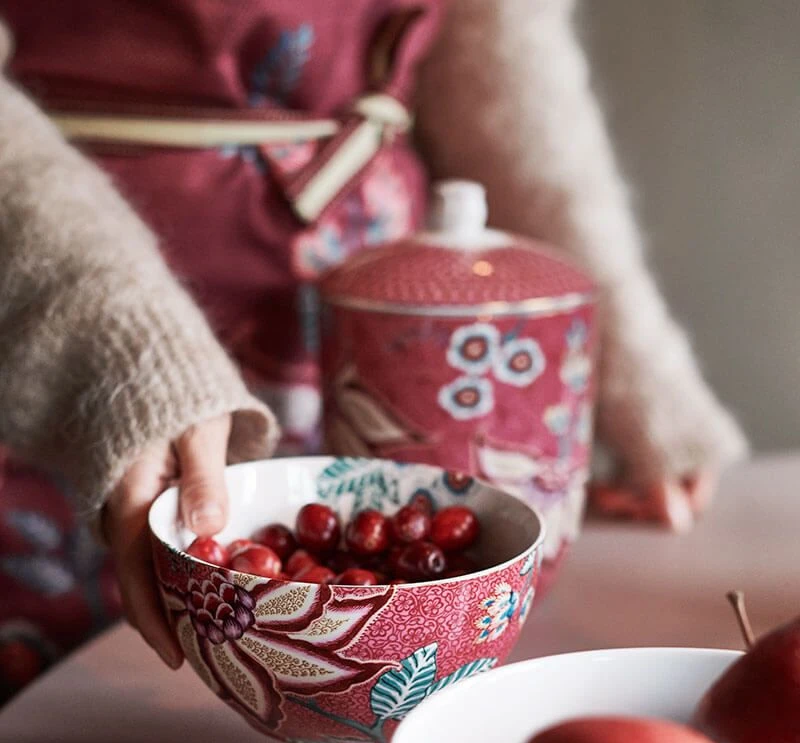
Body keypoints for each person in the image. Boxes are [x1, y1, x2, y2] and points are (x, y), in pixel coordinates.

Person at [0, 0, 746, 697]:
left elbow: (496, 58)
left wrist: (627, 367)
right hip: (50, 295)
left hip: (388, 335)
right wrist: (114, 345)